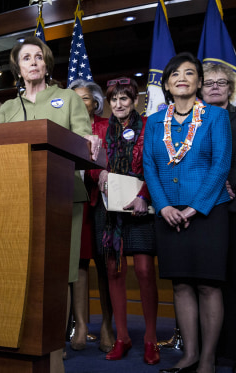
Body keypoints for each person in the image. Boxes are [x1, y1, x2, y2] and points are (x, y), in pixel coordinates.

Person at [0, 35, 100, 371]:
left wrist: (90, 141)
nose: (33, 63)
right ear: (18, 68)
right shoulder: (10, 108)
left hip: (62, 194)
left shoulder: (67, 97)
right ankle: (22, 335)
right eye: (26, 58)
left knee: (60, 273)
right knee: (21, 269)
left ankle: (55, 340)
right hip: (17, 199)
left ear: (46, 63)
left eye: (38, 57)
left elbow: (85, 138)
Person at [143, 53, 231, 373]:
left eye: (189, 73)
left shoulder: (216, 117)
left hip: (208, 211)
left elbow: (221, 165)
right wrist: (164, 205)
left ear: (198, 82)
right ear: (167, 83)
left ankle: (207, 359)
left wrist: (196, 206)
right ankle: (189, 354)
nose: (182, 77)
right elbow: (149, 166)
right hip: (168, 212)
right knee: (180, 284)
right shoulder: (154, 121)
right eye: (175, 74)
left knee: (208, 285)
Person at [93, 77, 160, 365]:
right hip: (110, 212)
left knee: (145, 270)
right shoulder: (102, 130)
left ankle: (150, 338)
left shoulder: (149, 126)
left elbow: (155, 164)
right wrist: (100, 174)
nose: (119, 104)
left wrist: (144, 194)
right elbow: (92, 167)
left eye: (124, 98)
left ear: (134, 100)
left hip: (142, 205)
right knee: (113, 271)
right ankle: (122, 337)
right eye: (114, 99)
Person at [69, 79, 115, 353]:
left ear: (95, 102)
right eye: (74, 98)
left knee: (103, 264)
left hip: (101, 202)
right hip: (73, 200)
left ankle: (108, 324)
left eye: (84, 98)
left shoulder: (106, 127)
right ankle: (81, 326)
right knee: (78, 265)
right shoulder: (66, 130)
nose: (79, 103)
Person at [201, 62, 236, 370]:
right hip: (202, 212)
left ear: (230, 88)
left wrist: (229, 180)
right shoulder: (192, 122)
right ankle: (213, 349)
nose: (214, 86)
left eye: (221, 82)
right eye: (209, 82)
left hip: (233, 208)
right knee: (211, 282)